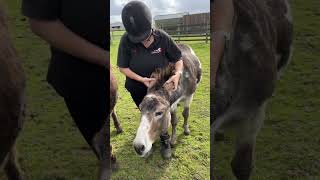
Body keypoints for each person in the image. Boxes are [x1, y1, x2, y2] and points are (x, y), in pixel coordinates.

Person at [21, 0, 111, 179]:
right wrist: (106, 58)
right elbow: (41, 21)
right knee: (108, 155)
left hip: (136, 69)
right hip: (87, 80)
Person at [117, 1, 183, 159]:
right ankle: (147, 137)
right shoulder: (126, 40)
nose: (141, 41)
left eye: (144, 37)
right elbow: (122, 67)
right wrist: (142, 80)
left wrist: (178, 74)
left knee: (161, 113)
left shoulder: (163, 38)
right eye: (136, 39)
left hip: (161, 88)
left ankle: (164, 139)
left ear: (151, 28)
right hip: (138, 87)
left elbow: (178, 58)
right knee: (146, 114)